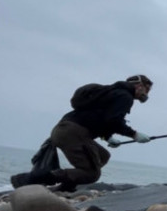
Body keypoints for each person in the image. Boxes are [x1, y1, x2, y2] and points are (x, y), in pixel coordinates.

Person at [10, 75, 154, 192]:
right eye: (146, 91)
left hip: (63, 129)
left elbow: (99, 118)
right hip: (74, 132)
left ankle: (67, 186)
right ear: (139, 86)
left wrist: (107, 137)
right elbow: (113, 120)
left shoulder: (110, 91)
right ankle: (29, 179)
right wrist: (134, 134)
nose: (145, 95)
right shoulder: (125, 96)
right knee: (91, 174)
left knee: (103, 155)